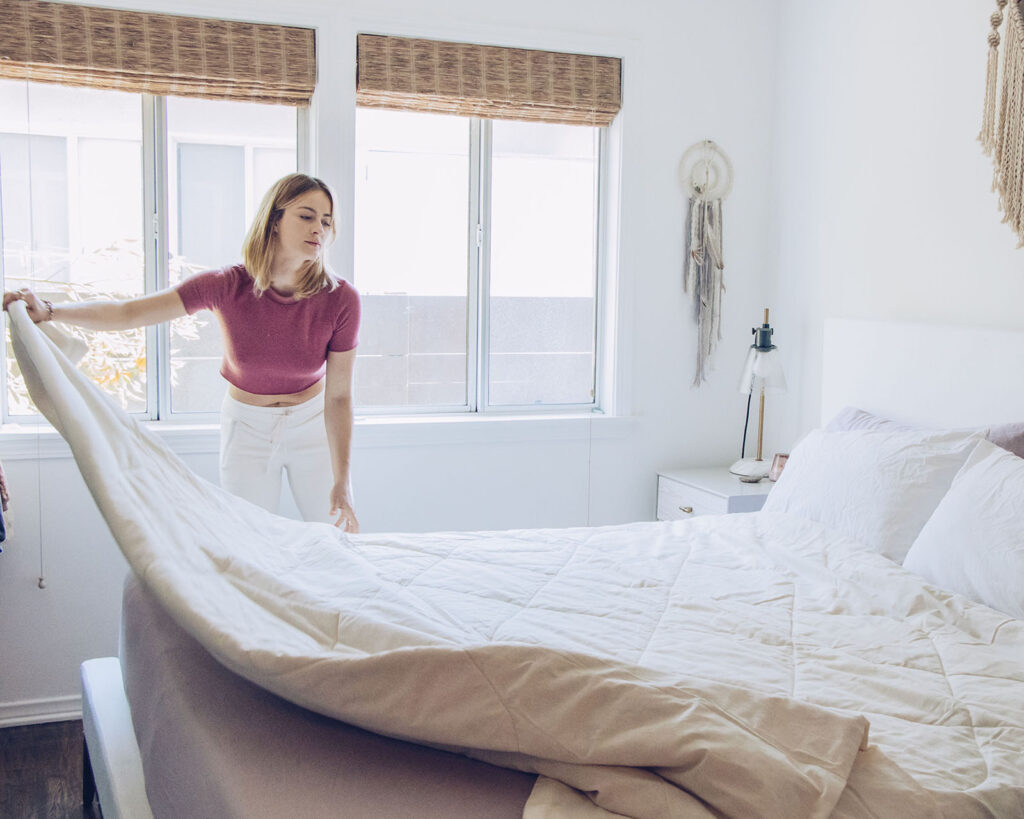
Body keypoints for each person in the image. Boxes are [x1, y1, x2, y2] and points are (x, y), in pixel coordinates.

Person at [3, 173, 361, 531]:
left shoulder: (342, 299)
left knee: (338, 535)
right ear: (274, 221)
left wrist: (342, 479)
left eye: (327, 221)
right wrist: (50, 311)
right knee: (247, 537)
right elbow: (129, 313)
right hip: (247, 427)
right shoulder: (225, 285)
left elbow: (340, 396)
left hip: (312, 425)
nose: (319, 229)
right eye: (307, 215)